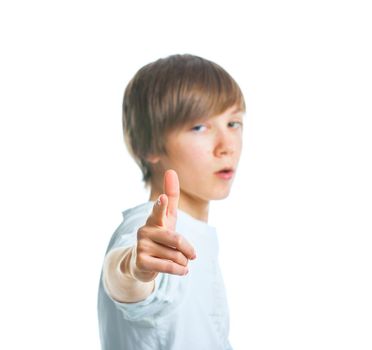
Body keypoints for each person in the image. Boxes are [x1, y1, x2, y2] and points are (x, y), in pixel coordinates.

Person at [97, 53, 246, 349]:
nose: (226, 146)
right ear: (149, 145)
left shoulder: (195, 234)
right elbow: (124, 276)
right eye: (199, 127)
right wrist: (134, 269)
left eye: (233, 123)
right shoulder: (148, 232)